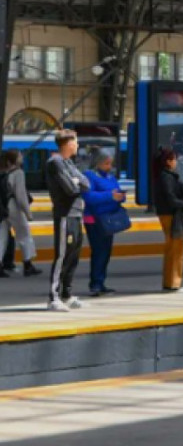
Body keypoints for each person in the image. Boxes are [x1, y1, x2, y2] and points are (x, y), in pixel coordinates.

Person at [45, 130, 91, 311]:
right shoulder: (55, 163)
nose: (78, 145)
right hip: (65, 214)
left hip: (76, 214)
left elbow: (86, 183)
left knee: (74, 255)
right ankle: (54, 296)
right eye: (76, 141)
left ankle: (67, 294)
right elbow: (70, 189)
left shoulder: (68, 163)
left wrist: (76, 180)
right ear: (67, 143)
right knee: (62, 255)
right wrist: (76, 182)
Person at [154, 148, 183, 292]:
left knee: (173, 249)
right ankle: (173, 283)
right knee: (176, 250)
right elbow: (172, 200)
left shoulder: (164, 176)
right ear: (168, 161)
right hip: (171, 215)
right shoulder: (166, 177)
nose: (176, 162)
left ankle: (171, 282)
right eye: (174, 159)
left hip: (168, 214)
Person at [82, 152, 127, 296]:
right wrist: (110, 196)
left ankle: (101, 282)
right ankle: (95, 283)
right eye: (106, 163)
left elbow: (116, 190)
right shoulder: (89, 176)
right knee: (99, 251)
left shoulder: (111, 177)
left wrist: (120, 197)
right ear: (98, 163)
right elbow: (89, 196)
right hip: (94, 219)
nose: (109, 166)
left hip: (109, 219)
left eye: (110, 163)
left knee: (106, 252)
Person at [0, 150, 38, 278]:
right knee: (24, 235)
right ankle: (28, 265)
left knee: (2, 237)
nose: (22, 157)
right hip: (14, 207)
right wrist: (28, 213)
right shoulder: (18, 173)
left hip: (3, 208)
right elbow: (20, 195)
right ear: (15, 159)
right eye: (19, 156)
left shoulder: (3, 172)